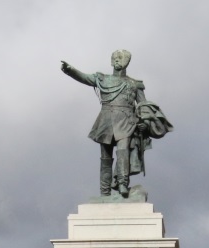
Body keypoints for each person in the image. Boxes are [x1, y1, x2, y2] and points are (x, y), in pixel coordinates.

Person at [61, 50, 173, 198]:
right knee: (105, 157)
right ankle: (105, 190)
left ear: (127, 62)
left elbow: (143, 105)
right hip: (106, 120)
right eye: (115, 58)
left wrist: (145, 122)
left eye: (121, 58)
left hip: (127, 120)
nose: (117, 60)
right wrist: (70, 70)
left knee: (123, 151)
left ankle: (122, 184)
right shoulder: (102, 79)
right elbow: (85, 78)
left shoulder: (134, 84)